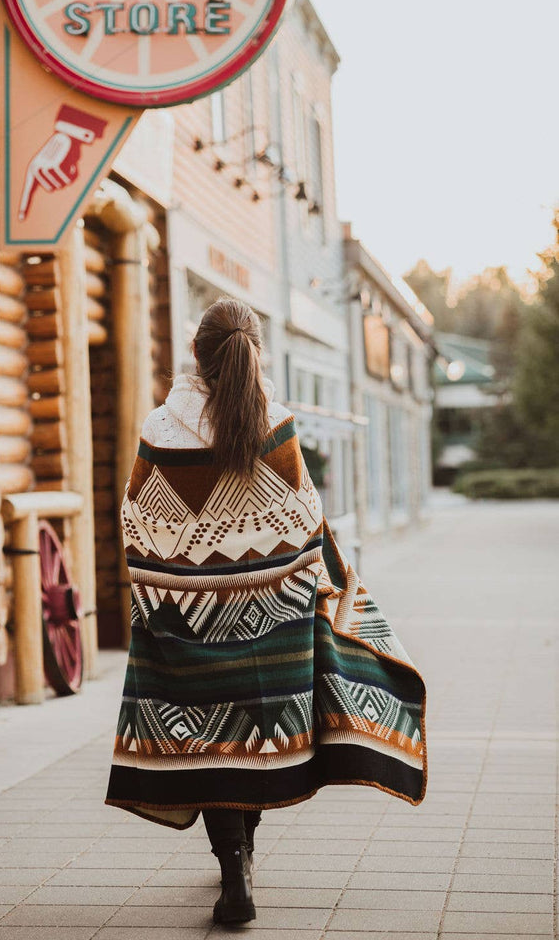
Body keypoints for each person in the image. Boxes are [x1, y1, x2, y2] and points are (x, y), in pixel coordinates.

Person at [104, 298, 427, 925]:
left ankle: (235, 870)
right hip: (271, 626)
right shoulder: (275, 427)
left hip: (184, 625)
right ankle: (243, 861)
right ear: (255, 355)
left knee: (209, 740)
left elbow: (136, 522)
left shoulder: (159, 431)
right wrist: (308, 587)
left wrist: (172, 594)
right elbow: (305, 524)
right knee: (249, 734)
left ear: (196, 357)